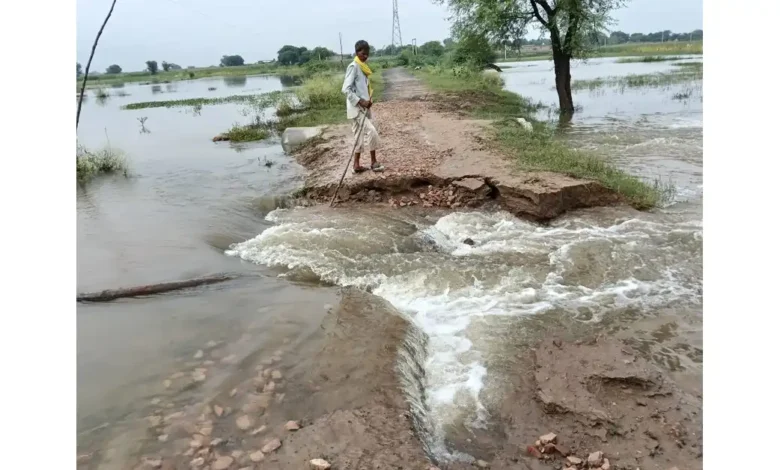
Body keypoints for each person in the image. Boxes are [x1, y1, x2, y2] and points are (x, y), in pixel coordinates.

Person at [341, 40, 384, 173]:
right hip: (356, 108)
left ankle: (356, 165)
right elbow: (346, 89)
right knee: (371, 130)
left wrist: (368, 100)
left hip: (365, 107)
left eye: (367, 54)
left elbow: (363, 88)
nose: (365, 56)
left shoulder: (363, 68)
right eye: (362, 53)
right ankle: (373, 162)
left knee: (359, 136)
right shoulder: (354, 67)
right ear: (356, 52)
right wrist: (361, 101)